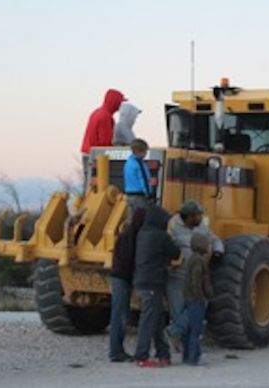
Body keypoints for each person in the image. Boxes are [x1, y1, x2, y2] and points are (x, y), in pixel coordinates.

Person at [133, 205, 181, 368]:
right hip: (153, 282)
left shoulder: (142, 234)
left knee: (156, 318)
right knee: (148, 320)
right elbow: (176, 253)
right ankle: (141, 356)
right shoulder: (160, 236)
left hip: (142, 281)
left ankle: (163, 354)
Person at [167, 201, 224, 326]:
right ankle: (177, 336)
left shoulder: (201, 227)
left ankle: (185, 336)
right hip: (177, 277)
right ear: (190, 216)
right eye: (199, 214)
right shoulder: (172, 226)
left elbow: (214, 239)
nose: (201, 217)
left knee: (198, 307)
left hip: (196, 277)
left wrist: (218, 251)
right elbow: (165, 244)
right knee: (178, 311)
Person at [165, 232, 213, 366]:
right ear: (202, 245)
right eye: (207, 243)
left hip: (189, 297)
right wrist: (203, 296)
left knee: (189, 329)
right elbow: (198, 280)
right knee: (195, 331)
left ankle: (186, 357)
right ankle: (193, 358)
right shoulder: (200, 261)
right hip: (197, 299)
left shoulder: (191, 258)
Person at [108, 207, 146, 362]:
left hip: (118, 277)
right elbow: (131, 261)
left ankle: (116, 350)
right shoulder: (131, 237)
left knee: (119, 313)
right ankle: (116, 352)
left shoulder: (126, 233)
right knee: (120, 315)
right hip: (122, 278)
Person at [80, 88, 125, 187]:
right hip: (97, 157)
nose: (120, 106)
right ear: (114, 102)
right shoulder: (106, 117)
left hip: (88, 153)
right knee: (99, 187)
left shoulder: (97, 112)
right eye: (120, 102)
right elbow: (105, 144)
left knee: (89, 185)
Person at [124, 138, 153, 213]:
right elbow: (143, 180)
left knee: (132, 218)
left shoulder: (128, 162)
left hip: (129, 195)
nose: (146, 154)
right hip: (139, 195)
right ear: (139, 152)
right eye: (145, 152)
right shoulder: (139, 164)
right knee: (142, 217)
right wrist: (149, 195)